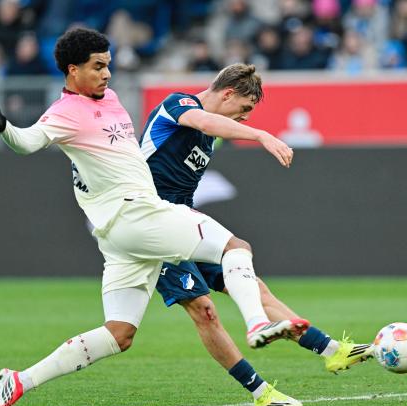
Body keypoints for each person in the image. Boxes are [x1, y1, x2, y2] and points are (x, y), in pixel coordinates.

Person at [0, 28, 301, 406]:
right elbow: (28, 142)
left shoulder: (110, 99)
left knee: (119, 333)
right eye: (97, 67)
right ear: (73, 70)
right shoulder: (64, 113)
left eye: (108, 65)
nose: (106, 74)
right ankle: (256, 326)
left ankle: (19, 381)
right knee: (236, 248)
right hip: (138, 215)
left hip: (118, 236)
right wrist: (4, 128)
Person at [140, 63, 374, 377]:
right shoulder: (178, 105)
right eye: (245, 107)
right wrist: (262, 135)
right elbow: (204, 121)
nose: (247, 116)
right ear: (227, 94)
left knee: (252, 285)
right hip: (148, 224)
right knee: (203, 310)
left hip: (181, 222)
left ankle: (333, 351)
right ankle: (258, 387)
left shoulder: (210, 138)